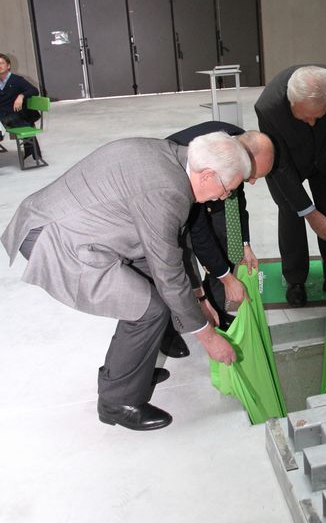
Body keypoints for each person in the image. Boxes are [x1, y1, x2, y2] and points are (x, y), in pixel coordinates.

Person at [1, 133, 251, 431]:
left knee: (155, 295)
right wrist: (207, 336)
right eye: (226, 189)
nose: (223, 198)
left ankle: (128, 371)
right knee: (150, 309)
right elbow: (169, 272)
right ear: (208, 174)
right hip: (59, 239)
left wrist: (198, 300)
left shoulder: (172, 156)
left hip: (74, 224)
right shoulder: (167, 189)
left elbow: (169, 252)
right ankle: (116, 402)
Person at [163, 122, 275, 354]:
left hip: (214, 183)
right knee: (176, 266)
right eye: (253, 176)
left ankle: (214, 310)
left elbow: (236, 203)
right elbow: (199, 232)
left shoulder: (238, 141)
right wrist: (227, 279)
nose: (252, 182)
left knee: (224, 246)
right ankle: (167, 331)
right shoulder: (202, 158)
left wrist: (244, 245)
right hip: (178, 192)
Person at [255, 65, 326, 307]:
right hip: (288, 161)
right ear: (291, 103)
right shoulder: (268, 108)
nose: (312, 123)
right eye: (304, 117)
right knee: (291, 211)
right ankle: (295, 279)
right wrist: (309, 213)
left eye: (319, 116)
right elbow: (280, 165)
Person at [0, 53, 41, 158]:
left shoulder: (17, 80)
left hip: (16, 115)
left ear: (8, 66)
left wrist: (21, 96)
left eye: (2, 63)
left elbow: (34, 90)